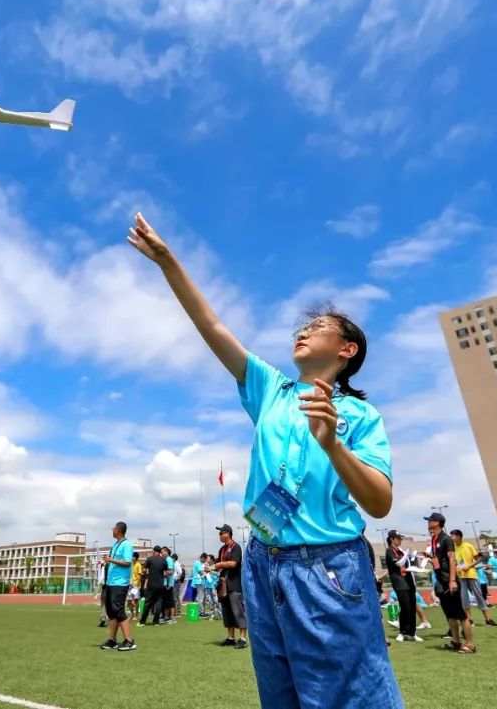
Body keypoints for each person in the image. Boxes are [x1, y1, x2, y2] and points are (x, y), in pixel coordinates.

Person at [129, 213, 403, 707]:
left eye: (318, 326)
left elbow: (380, 503)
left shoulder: (361, 415)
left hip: (328, 567)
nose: (303, 331)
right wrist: (167, 261)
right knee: (281, 696)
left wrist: (333, 444)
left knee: (347, 696)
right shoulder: (271, 391)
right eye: (303, 325)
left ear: (347, 348)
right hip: (262, 562)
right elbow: (210, 325)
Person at [426, 512, 474, 654]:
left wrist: (452, 580)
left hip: (449, 581)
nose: (428, 523)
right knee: (450, 614)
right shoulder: (435, 540)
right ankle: (456, 641)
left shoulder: (446, 539)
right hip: (441, 582)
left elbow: (452, 560)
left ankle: (470, 644)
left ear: (437, 522)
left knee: (460, 614)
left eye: (430, 521)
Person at [99, 521, 137, 651]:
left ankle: (129, 641)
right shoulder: (115, 544)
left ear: (119, 530)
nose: (112, 530)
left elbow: (127, 562)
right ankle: (112, 640)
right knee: (111, 611)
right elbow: (114, 561)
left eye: (113, 528)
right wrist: (107, 561)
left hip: (120, 583)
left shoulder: (126, 544)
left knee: (118, 610)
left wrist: (111, 560)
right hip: (111, 582)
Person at [451, 530, 497, 627]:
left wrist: (469, 566)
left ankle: (488, 619)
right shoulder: (452, 548)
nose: (452, 537)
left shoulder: (468, 546)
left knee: (479, 596)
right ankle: (469, 620)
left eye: (453, 535)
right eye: (451, 536)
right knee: (464, 598)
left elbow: (478, 559)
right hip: (461, 576)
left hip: (471, 574)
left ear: (459, 536)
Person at [210, 524, 248, 648]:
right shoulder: (222, 550)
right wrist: (210, 568)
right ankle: (231, 637)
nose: (219, 535)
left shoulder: (236, 547)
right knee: (227, 612)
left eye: (221, 533)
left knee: (238, 611)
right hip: (223, 584)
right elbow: (218, 565)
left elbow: (233, 564)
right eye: (219, 533)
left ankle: (242, 638)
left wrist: (219, 565)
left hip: (234, 584)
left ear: (228, 533)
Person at [385, 530, 419, 642]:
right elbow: (399, 563)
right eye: (398, 538)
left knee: (412, 607)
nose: (400, 540)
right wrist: (406, 555)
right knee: (405, 607)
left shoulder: (401, 550)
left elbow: (408, 563)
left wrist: (412, 557)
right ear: (392, 539)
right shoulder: (390, 551)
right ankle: (402, 632)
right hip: (399, 582)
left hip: (409, 580)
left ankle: (412, 633)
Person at [139, 546, 168, 626]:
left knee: (148, 603)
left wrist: (146, 573)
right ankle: (156, 622)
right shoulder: (163, 560)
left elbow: (144, 570)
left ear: (154, 551)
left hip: (151, 585)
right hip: (160, 585)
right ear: (160, 552)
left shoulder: (150, 559)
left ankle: (142, 622)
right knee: (158, 603)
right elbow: (167, 572)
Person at [160, 546, 176, 624]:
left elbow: (170, 572)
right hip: (165, 583)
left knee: (170, 600)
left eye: (162, 552)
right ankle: (166, 616)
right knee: (165, 600)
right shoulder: (164, 559)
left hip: (169, 584)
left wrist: (168, 584)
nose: (161, 554)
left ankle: (172, 617)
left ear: (166, 552)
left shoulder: (169, 560)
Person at [127, 551, 143, 621]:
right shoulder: (130, 565)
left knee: (136, 601)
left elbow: (140, 576)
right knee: (129, 601)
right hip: (129, 585)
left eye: (133, 556)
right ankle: (132, 614)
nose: (131, 558)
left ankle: (136, 615)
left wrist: (137, 585)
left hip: (136, 586)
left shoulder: (138, 565)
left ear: (136, 558)